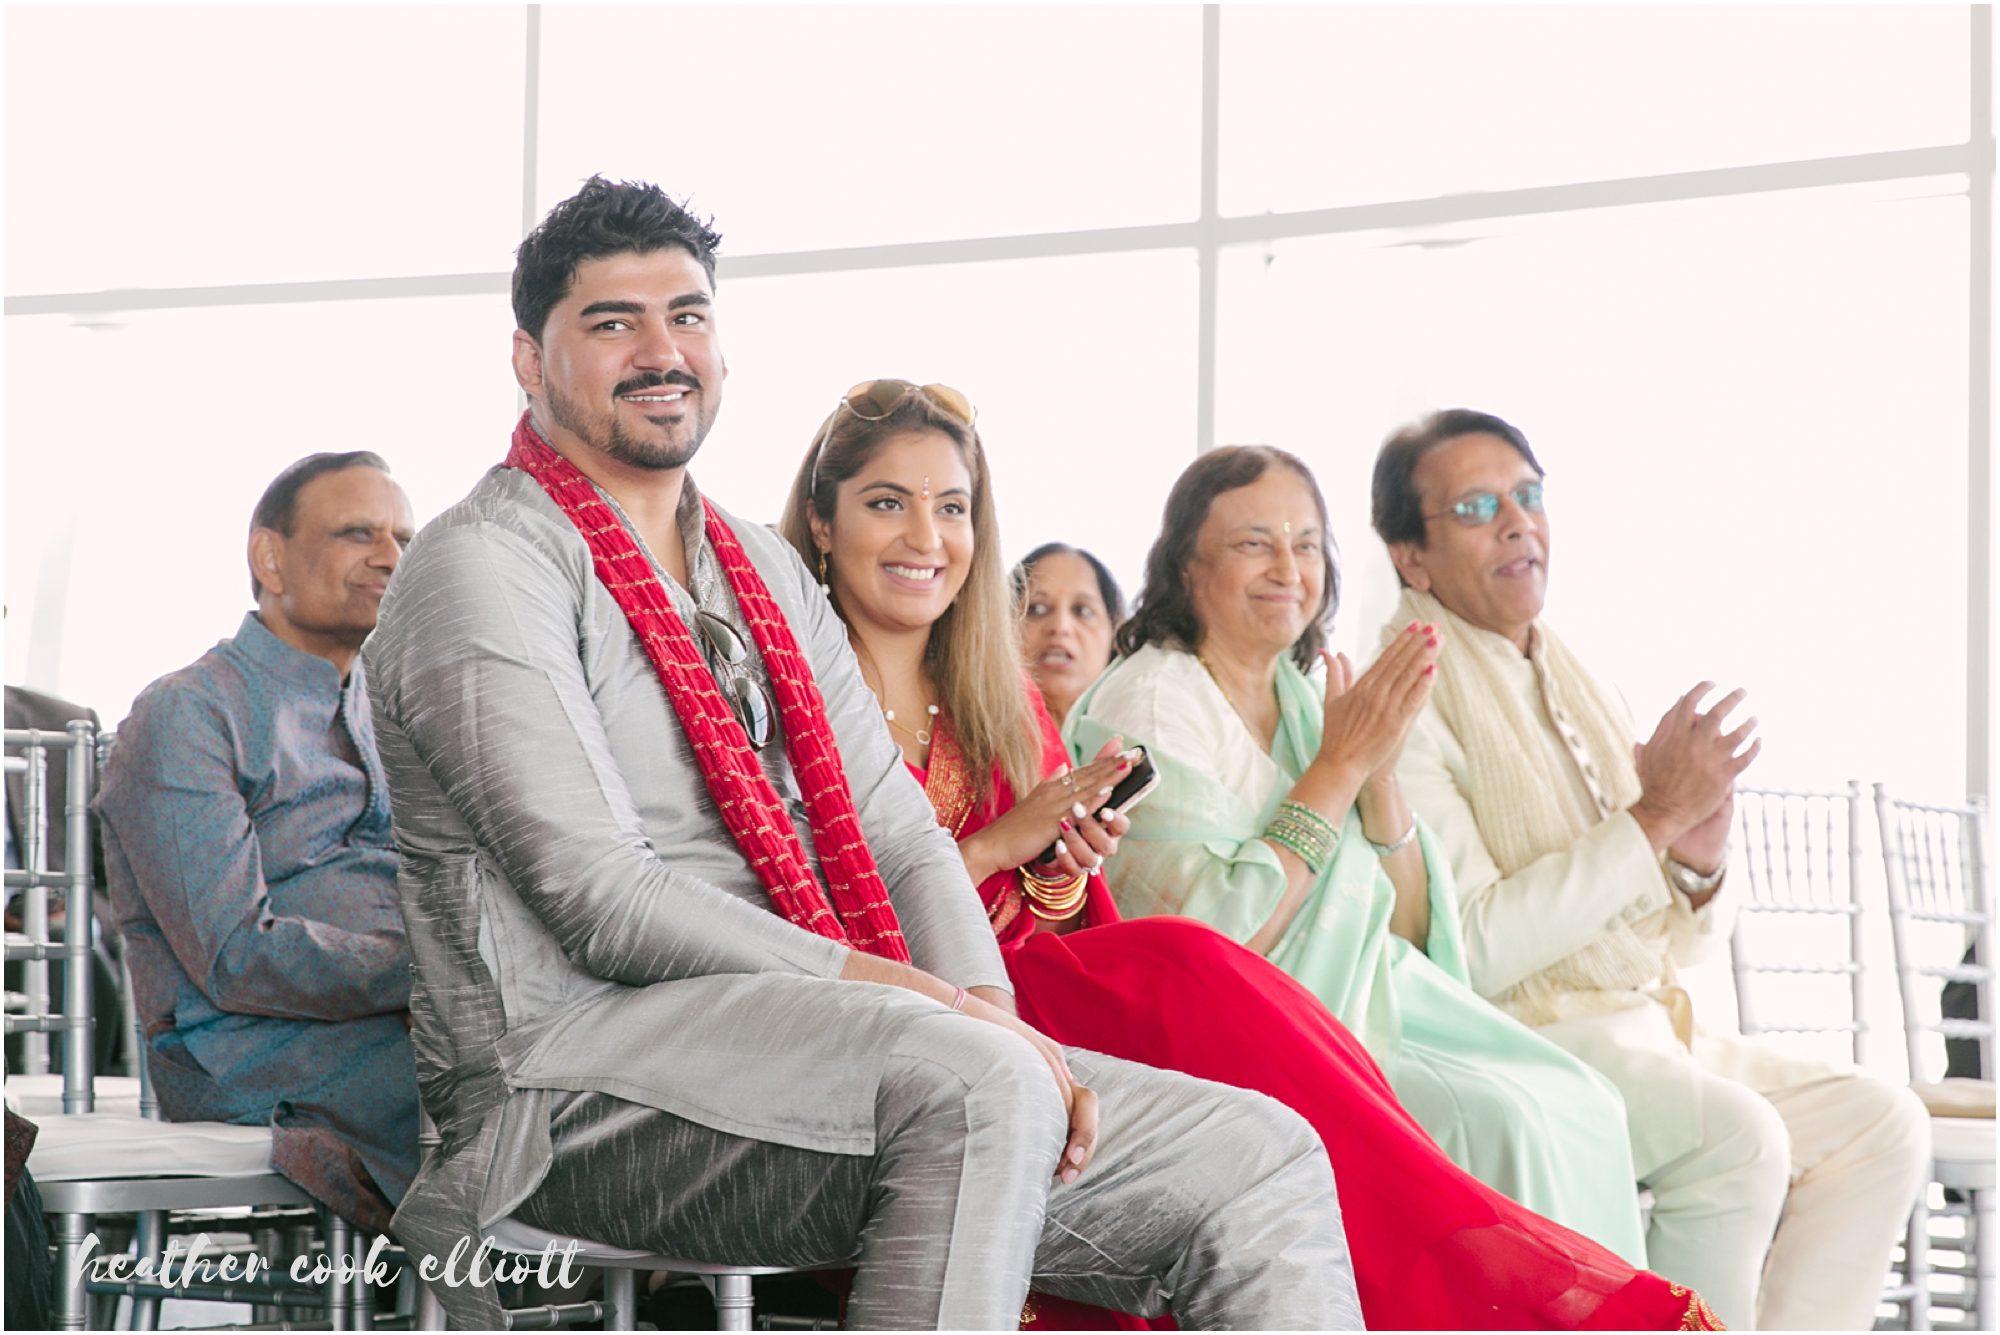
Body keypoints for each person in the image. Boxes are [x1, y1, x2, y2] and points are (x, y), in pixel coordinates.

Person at [362, 178, 1358, 1332]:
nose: (660, 351)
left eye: (686, 317)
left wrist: (992, 1009)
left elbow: (895, 831)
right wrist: (939, 1009)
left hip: (823, 1054)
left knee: (1261, 1154)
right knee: (975, 1082)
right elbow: (603, 900)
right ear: (530, 363)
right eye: (611, 322)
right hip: (569, 1084)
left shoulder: (758, 567)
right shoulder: (482, 567)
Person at [779, 381, 1724, 1330]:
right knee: (1201, 970)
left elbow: (1052, 905)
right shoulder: (796, 696)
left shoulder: (1000, 697)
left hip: (1129, 987)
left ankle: (1538, 1295)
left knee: (1565, 1098)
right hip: (916, 1017)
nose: (925, 538)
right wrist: (1001, 843)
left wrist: (1064, 858)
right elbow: (795, 925)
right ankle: (1543, 1301)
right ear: (821, 522)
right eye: (886, 504)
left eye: (952, 509)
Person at [1370, 407, 1931, 1330]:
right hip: (1527, 1036)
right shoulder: (1411, 692)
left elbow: (1679, 940)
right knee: (1738, 1139)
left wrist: (1697, 861)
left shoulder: (1572, 670)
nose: (1518, 521)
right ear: (1410, 557)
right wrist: (1655, 819)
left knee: (1880, 1121)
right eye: (1476, 506)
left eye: (1529, 494)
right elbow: (1464, 948)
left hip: (1649, 1025)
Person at [1068, 445, 1656, 1266]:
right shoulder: (1155, 698)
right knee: (1507, 1120)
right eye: (1253, 543)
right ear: (1187, 566)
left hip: (1364, 1005)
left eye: (1306, 544)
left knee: (1584, 1100)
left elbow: (1412, 934)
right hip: (1237, 1044)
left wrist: (1377, 780)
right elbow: (1204, 944)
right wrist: (1336, 770)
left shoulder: (1309, 698)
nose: (1287, 567)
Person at [95, 451, 420, 1232]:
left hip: (410, 1021)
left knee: (596, 1054)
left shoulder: (400, 708)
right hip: (248, 1050)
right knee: (516, 1087)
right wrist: (428, 976)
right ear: (268, 556)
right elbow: (234, 955)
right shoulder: (189, 712)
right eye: (357, 533)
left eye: (404, 538)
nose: (391, 557)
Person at [1014, 542, 1123, 727]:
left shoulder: (1139, 735)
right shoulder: (967, 743)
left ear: (1114, 632)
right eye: (1037, 609)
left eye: (1083, 611)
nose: (1060, 626)